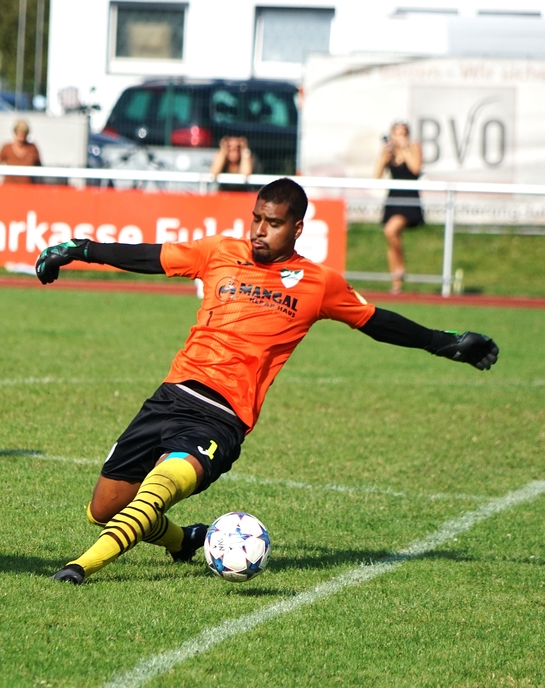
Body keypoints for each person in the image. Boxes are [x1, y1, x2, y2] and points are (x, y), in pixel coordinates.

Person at [35, 177, 498, 585]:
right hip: (170, 395)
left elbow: (376, 321)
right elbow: (149, 256)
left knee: (161, 485)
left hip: (221, 417)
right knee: (104, 509)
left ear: (296, 228)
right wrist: (80, 250)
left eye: (272, 223)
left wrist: (446, 343)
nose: (259, 229)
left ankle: (81, 566)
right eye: (256, 218)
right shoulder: (219, 251)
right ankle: (185, 540)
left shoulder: (318, 283)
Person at [375, 122, 423, 295]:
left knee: (390, 230)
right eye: (396, 134)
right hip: (393, 198)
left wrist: (404, 150)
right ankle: (396, 282)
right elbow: (377, 175)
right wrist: (384, 157)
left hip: (409, 199)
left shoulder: (414, 148)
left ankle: (401, 267)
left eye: (403, 134)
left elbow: (416, 169)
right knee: (392, 238)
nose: (399, 137)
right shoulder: (389, 152)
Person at [0, 119, 41, 184]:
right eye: (19, 134)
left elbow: (39, 168)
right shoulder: (6, 148)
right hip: (9, 186)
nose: (21, 138)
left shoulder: (32, 148)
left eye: (23, 135)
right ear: (15, 133)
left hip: (27, 187)